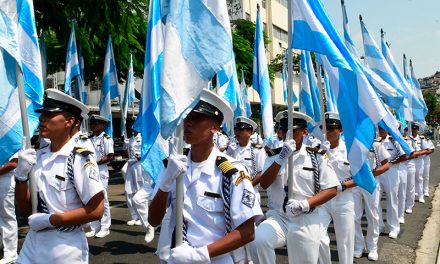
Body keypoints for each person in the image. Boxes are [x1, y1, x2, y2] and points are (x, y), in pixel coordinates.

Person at [148, 89, 263, 264]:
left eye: (197, 118)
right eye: (186, 117)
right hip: (177, 257)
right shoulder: (173, 165)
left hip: (215, 258)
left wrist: (198, 255)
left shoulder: (231, 172)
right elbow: (153, 220)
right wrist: (165, 184)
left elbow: (248, 232)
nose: (188, 123)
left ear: (215, 128)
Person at [14, 89, 104, 263]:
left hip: (65, 245)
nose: (42, 119)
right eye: (42, 114)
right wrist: (21, 177)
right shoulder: (38, 156)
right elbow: (26, 210)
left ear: (69, 121)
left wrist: (51, 220)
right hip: (34, 241)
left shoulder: (78, 157)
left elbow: (96, 209)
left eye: (50, 115)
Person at [250, 110, 339, 264]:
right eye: (284, 130)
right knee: (259, 240)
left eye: (293, 131)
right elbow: (264, 183)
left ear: (304, 132)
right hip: (279, 216)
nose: (287, 134)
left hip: (306, 217)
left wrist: (304, 205)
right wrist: (281, 158)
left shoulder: (315, 156)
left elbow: (332, 189)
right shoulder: (274, 155)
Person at [226, 116, 266, 263]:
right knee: (234, 225)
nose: (238, 132)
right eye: (237, 129)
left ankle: (251, 259)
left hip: (251, 193)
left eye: (241, 130)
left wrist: (247, 185)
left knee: (249, 227)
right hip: (233, 194)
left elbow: (261, 173)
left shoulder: (257, 151)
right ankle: (239, 259)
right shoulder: (232, 149)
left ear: (250, 132)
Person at [318, 112, 355, 264]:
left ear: (340, 130)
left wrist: (342, 186)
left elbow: (360, 177)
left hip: (343, 199)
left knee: (345, 242)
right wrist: (321, 153)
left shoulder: (350, 149)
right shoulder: (318, 150)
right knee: (318, 237)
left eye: (332, 128)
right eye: (326, 129)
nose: (328, 132)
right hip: (323, 200)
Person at [86, 115, 114, 238]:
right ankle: (94, 227)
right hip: (90, 170)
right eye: (92, 124)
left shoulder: (107, 139)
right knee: (91, 197)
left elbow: (109, 156)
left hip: (101, 170)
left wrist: (95, 163)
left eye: (95, 124)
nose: (93, 126)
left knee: (103, 198)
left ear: (103, 125)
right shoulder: (88, 138)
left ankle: (105, 227)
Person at [376, 126, 406, 239]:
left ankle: (394, 228)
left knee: (392, 200)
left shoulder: (394, 141)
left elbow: (404, 155)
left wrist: (391, 163)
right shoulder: (375, 141)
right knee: (375, 200)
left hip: (391, 171)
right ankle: (379, 226)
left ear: (388, 129)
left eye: (383, 128)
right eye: (379, 128)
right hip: (378, 172)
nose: (381, 130)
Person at [0, 154, 18, 264]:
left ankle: (11, 254)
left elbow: (13, 163)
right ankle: (2, 244)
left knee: (7, 217)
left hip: (5, 178)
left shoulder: (11, 137)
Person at [411, 123, 426, 203]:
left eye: (415, 130)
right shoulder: (409, 138)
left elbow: (426, 149)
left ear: (417, 130)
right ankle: (411, 196)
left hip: (419, 160)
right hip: (411, 160)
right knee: (411, 179)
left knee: (419, 178)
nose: (414, 131)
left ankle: (421, 196)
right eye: (413, 130)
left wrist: (419, 153)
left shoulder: (421, 138)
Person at [421, 133, 435, 197]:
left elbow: (432, 149)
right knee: (418, 175)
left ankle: (425, 190)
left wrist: (425, 153)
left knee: (426, 176)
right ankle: (418, 190)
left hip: (425, 158)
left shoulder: (427, 140)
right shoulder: (414, 139)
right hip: (417, 159)